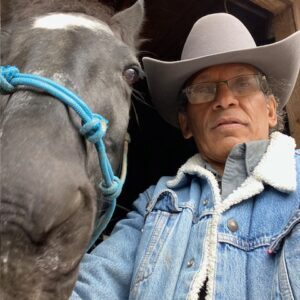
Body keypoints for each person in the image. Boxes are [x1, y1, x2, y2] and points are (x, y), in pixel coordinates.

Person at [71, 13, 300, 299]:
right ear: (186, 123)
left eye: (243, 84)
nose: (225, 100)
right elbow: (89, 288)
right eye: (203, 90)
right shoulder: (156, 205)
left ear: (269, 109)